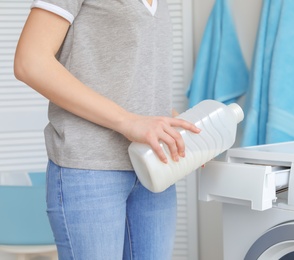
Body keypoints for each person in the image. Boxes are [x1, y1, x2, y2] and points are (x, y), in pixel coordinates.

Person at [14, 0, 200, 259]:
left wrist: (177, 128)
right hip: (90, 170)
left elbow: (126, 79)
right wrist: (128, 121)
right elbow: (30, 61)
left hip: (153, 168)